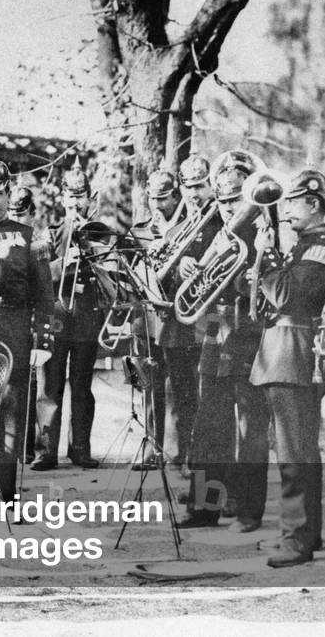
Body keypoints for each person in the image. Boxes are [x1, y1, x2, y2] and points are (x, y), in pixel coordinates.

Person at [250, 168, 325, 567]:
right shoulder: (302, 247)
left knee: (293, 454)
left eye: (292, 202)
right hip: (282, 353)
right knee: (298, 450)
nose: (284, 210)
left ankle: (296, 542)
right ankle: (306, 534)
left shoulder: (317, 251)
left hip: (294, 355)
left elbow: (285, 295)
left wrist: (266, 254)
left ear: (313, 203)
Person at [178, 159, 266, 530]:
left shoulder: (265, 229)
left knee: (249, 426)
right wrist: (187, 263)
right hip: (214, 328)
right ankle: (204, 508)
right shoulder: (216, 228)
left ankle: (247, 510)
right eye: (225, 200)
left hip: (248, 329)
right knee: (209, 422)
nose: (230, 207)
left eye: (236, 199)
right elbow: (200, 266)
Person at [0, 149, 54, 500]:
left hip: (16, 330)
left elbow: (45, 295)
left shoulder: (29, 238)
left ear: (8, 194)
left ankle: (6, 495)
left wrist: (42, 342)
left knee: (12, 414)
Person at [33, 160, 107, 470]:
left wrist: (90, 252)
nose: (76, 202)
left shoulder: (100, 233)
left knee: (82, 386)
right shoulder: (51, 233)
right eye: (71, 196)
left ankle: (80, 448)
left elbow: (109, 275)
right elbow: (38, 277)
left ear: (90, 198)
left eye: (81, 196)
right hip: (58, 317)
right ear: (63, 199)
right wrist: (64, 262)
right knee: (50, 387)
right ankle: (47, 451)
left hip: (87, 319)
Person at [159, 150, 222, 472]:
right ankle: (183, 456)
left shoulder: (224, 226)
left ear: (211, 185)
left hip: (210, 324)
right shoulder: (177, 230)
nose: (194, 194)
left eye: (200, 186)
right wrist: (176, 267)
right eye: (189, 187)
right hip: (180, 325)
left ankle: (202, 466)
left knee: (207, 401)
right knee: (182, 396)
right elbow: (160, 278)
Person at [127, 169, 182, 469]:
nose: (158, 206)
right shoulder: (138, 232)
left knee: (174, 386)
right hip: (144, 321)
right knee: (148, 384)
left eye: (164, 199)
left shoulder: (186, 227)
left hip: (175, 320)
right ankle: (151, 447)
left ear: (176, 196)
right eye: (153, 199)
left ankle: (174, 451)